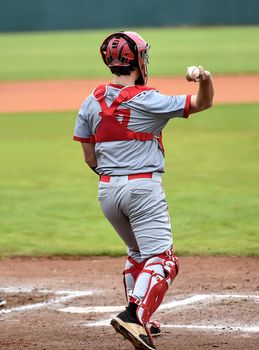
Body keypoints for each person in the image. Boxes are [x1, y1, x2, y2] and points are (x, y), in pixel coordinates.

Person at [73, 31, 214, 350]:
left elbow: (89, 156)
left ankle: (142, 318)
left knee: (138, 254)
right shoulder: (149, 98)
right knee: (164, 260)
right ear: (136, 60)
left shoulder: (91, 100)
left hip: (107, 192)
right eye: (144, 55)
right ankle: (134, 316)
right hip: (142, 189)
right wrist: (205, 78)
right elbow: (203, 103)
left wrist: (115, 176)